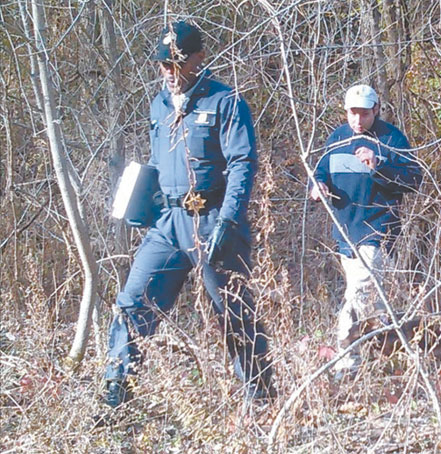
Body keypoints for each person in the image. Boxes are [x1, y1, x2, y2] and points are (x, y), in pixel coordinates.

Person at [104, 21, 273, 408]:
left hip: (213, 217)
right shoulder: (159, 105)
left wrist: (229, 220)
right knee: (134, 300)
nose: (169, 72)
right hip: (168, 224)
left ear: (199, 58)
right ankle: (117, 389)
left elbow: (243, 164)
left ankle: (259, 394)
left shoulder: (225, 102)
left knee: (232, 309)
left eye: (178, 63)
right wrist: (140, 201)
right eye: (164, 64)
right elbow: (159, 163)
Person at [310, 84, 422, 379]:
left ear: (376, 110)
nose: (357, 120)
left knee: (356, 298)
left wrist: (379, 166)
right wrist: (318, 185)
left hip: (378, 232)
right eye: (352, 113)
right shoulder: (337, 138)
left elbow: (413, 180)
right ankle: (399, 350)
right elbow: (321, 170)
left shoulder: (391, 138)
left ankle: (347, 366)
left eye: (364, 113)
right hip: (344, 233)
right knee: (372, 306)